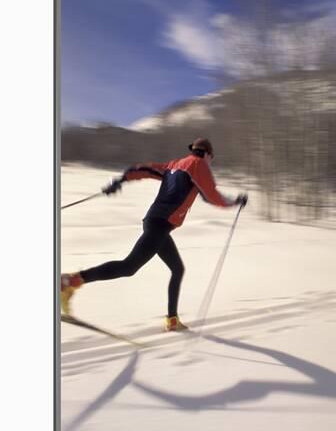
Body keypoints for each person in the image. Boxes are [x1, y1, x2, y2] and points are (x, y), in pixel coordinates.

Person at [61, 138, 248, 331]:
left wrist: (119, 180)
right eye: (211, 159)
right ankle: (71, 281)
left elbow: (143, 169)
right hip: (160, 224)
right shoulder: (199, 165)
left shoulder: (174, 165)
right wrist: (234, 202)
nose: (210, 162)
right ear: (207, 154)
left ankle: (172, 320)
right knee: (128, 267)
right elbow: (211, 196)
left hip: (156, 223)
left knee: (177, 269)